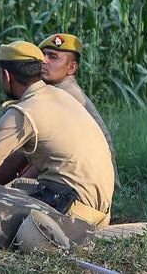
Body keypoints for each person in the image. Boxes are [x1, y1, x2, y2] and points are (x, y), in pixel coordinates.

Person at [0, 41, 114, 226]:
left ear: (6, 75)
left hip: (71, 215)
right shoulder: (61, 96)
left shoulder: (23, 112)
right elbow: (19, 159)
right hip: (99, 214)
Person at [39, 33, 122, 190]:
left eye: (53, 57)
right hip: (95, 183)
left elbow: (43, 152)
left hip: (86, 184)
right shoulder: (61, 89)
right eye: (43, 55)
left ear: (71, 68)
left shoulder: (63, 95)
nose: (44, 61)